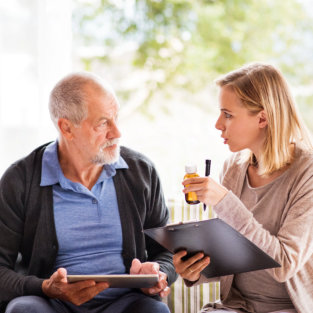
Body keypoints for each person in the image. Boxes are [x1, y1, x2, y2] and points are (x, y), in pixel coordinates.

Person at [0, 72, 177, 313]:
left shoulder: (141, 172)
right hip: (51, 304)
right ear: (67, 128)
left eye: (116, 118)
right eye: (103, 123)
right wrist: (45, 287)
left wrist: (158, 274)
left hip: (126, 302)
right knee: (23, 310)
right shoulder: (20, 180)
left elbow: (166, 253)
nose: (117, 132)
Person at [173, 63, 313, 313]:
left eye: (227, 114)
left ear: (262, 118)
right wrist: (195, 271)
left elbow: (284, 264)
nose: (218, 124)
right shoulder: (233, 168)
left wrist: (226, 203)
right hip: (236, 307)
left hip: (290, 307)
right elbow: (234, 255)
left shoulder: (307, 172)